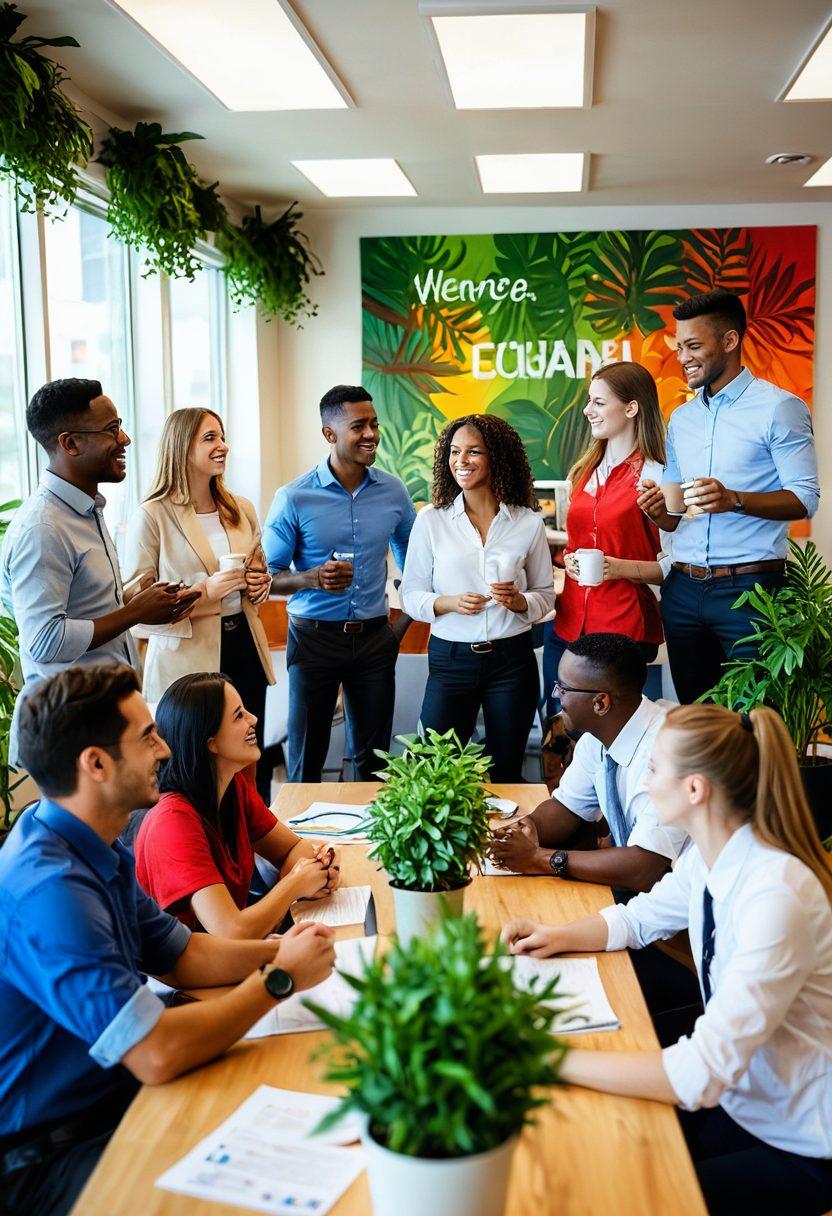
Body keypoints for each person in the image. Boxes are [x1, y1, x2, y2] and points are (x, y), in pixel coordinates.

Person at [0, 664, 335, 1216]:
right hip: (50, 1153)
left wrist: (292, 949)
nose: (164, 750)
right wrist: (280, 978)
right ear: (97, 764)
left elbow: (185, 955)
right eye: (148, 737)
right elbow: (155, 1053)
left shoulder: (90, 845)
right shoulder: (50, 891)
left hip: (111, 1099)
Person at [502, 703, 832, 1216]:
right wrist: (557, 934)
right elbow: (640, 919)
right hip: (745, 1098)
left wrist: (548, 1060)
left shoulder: (776, 896)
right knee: (605, 1143)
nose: (646, 782)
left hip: (803, 1137)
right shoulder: (712, 851)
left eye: (654, 769)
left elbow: (699, 1074)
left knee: (632, 1192)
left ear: (695, 789)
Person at [638, 288, 819, 704]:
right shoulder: (681, 419)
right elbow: (675, 514)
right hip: (682, 591)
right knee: (698, 724)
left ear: (730, 341)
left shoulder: (779, 408)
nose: (683, 356)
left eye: (694, 345)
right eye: (680, 346)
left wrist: (735, 498)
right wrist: (657, 512)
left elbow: (804, 497)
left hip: (751, 592)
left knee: (756, 723)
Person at [0, 378, 196, 760]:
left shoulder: (87, 509)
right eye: (111, 430)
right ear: (70, 443)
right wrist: (134, 613)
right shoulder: (44, 527)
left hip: (107, 711)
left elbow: (80, 607)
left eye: (120, 425)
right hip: (75, 730)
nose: (124, 439)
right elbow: (44, 640)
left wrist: (134, 600)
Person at [262, 385, 415, 782]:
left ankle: (368, 845)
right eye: (358, 426)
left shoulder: (393, 491)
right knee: (306, 762)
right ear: (330, 435)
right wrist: (312, 577)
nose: (371, 434)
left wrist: (397, 627)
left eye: (374, 424)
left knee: (374, 763)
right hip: (314, 641)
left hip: (374, 640)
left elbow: (417, 566)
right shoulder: (293, 497)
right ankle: (303, 845)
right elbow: (265, 580)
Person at [124, 407, 276, 801]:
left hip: (244, 646)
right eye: (210, 438)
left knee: (247, 759)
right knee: (190, 767)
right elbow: (135, 607)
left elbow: (258, 566)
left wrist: (261, 584)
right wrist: (206, 591)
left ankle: (251, 845)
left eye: (222, 436)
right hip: (185, 661)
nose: (223, 446)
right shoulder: (152, 514)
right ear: (182, 446)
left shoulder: (240, 507)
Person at [400, 413, 554, 782]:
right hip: (450, 659)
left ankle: (503, 840)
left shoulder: (527, 522)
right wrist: (448, 603)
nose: (461, 461)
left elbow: (545, 595)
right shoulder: (431, 521)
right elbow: (410, 595)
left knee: (506, 770)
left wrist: (521, 602)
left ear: (496, 457)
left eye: (473, 452)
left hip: (511, 660)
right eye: (454, 452)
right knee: (431, 770)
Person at [135, 672, 340, 937]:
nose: (253, 719)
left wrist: (317, 871)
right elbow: (230, 932)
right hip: (187, 971)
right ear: (211, 743)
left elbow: (292, 847)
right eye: (239, 715)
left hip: (228, 953)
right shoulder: (173, 820)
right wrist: (296, 884)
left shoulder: (232, 786)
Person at [490, 633, 687, 891]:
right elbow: (566, 809)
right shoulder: (596, 737)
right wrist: (517, 833)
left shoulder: (668, 751)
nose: (556, 695)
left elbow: (644, 867)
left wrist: (540, 859)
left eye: (563, 688)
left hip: (685, 912)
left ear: (600, 703)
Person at [542, 361, 668, 717]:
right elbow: (575, 542)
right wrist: (568, 558)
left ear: (631, 408)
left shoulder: (657, 474)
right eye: (589, 401)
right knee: (560, 729)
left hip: (623, 629)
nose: (587, 410)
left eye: (599, 402)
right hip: (566, 625)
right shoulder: (584, 472)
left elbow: (675, 565)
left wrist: (618, 568)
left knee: (617, 734)